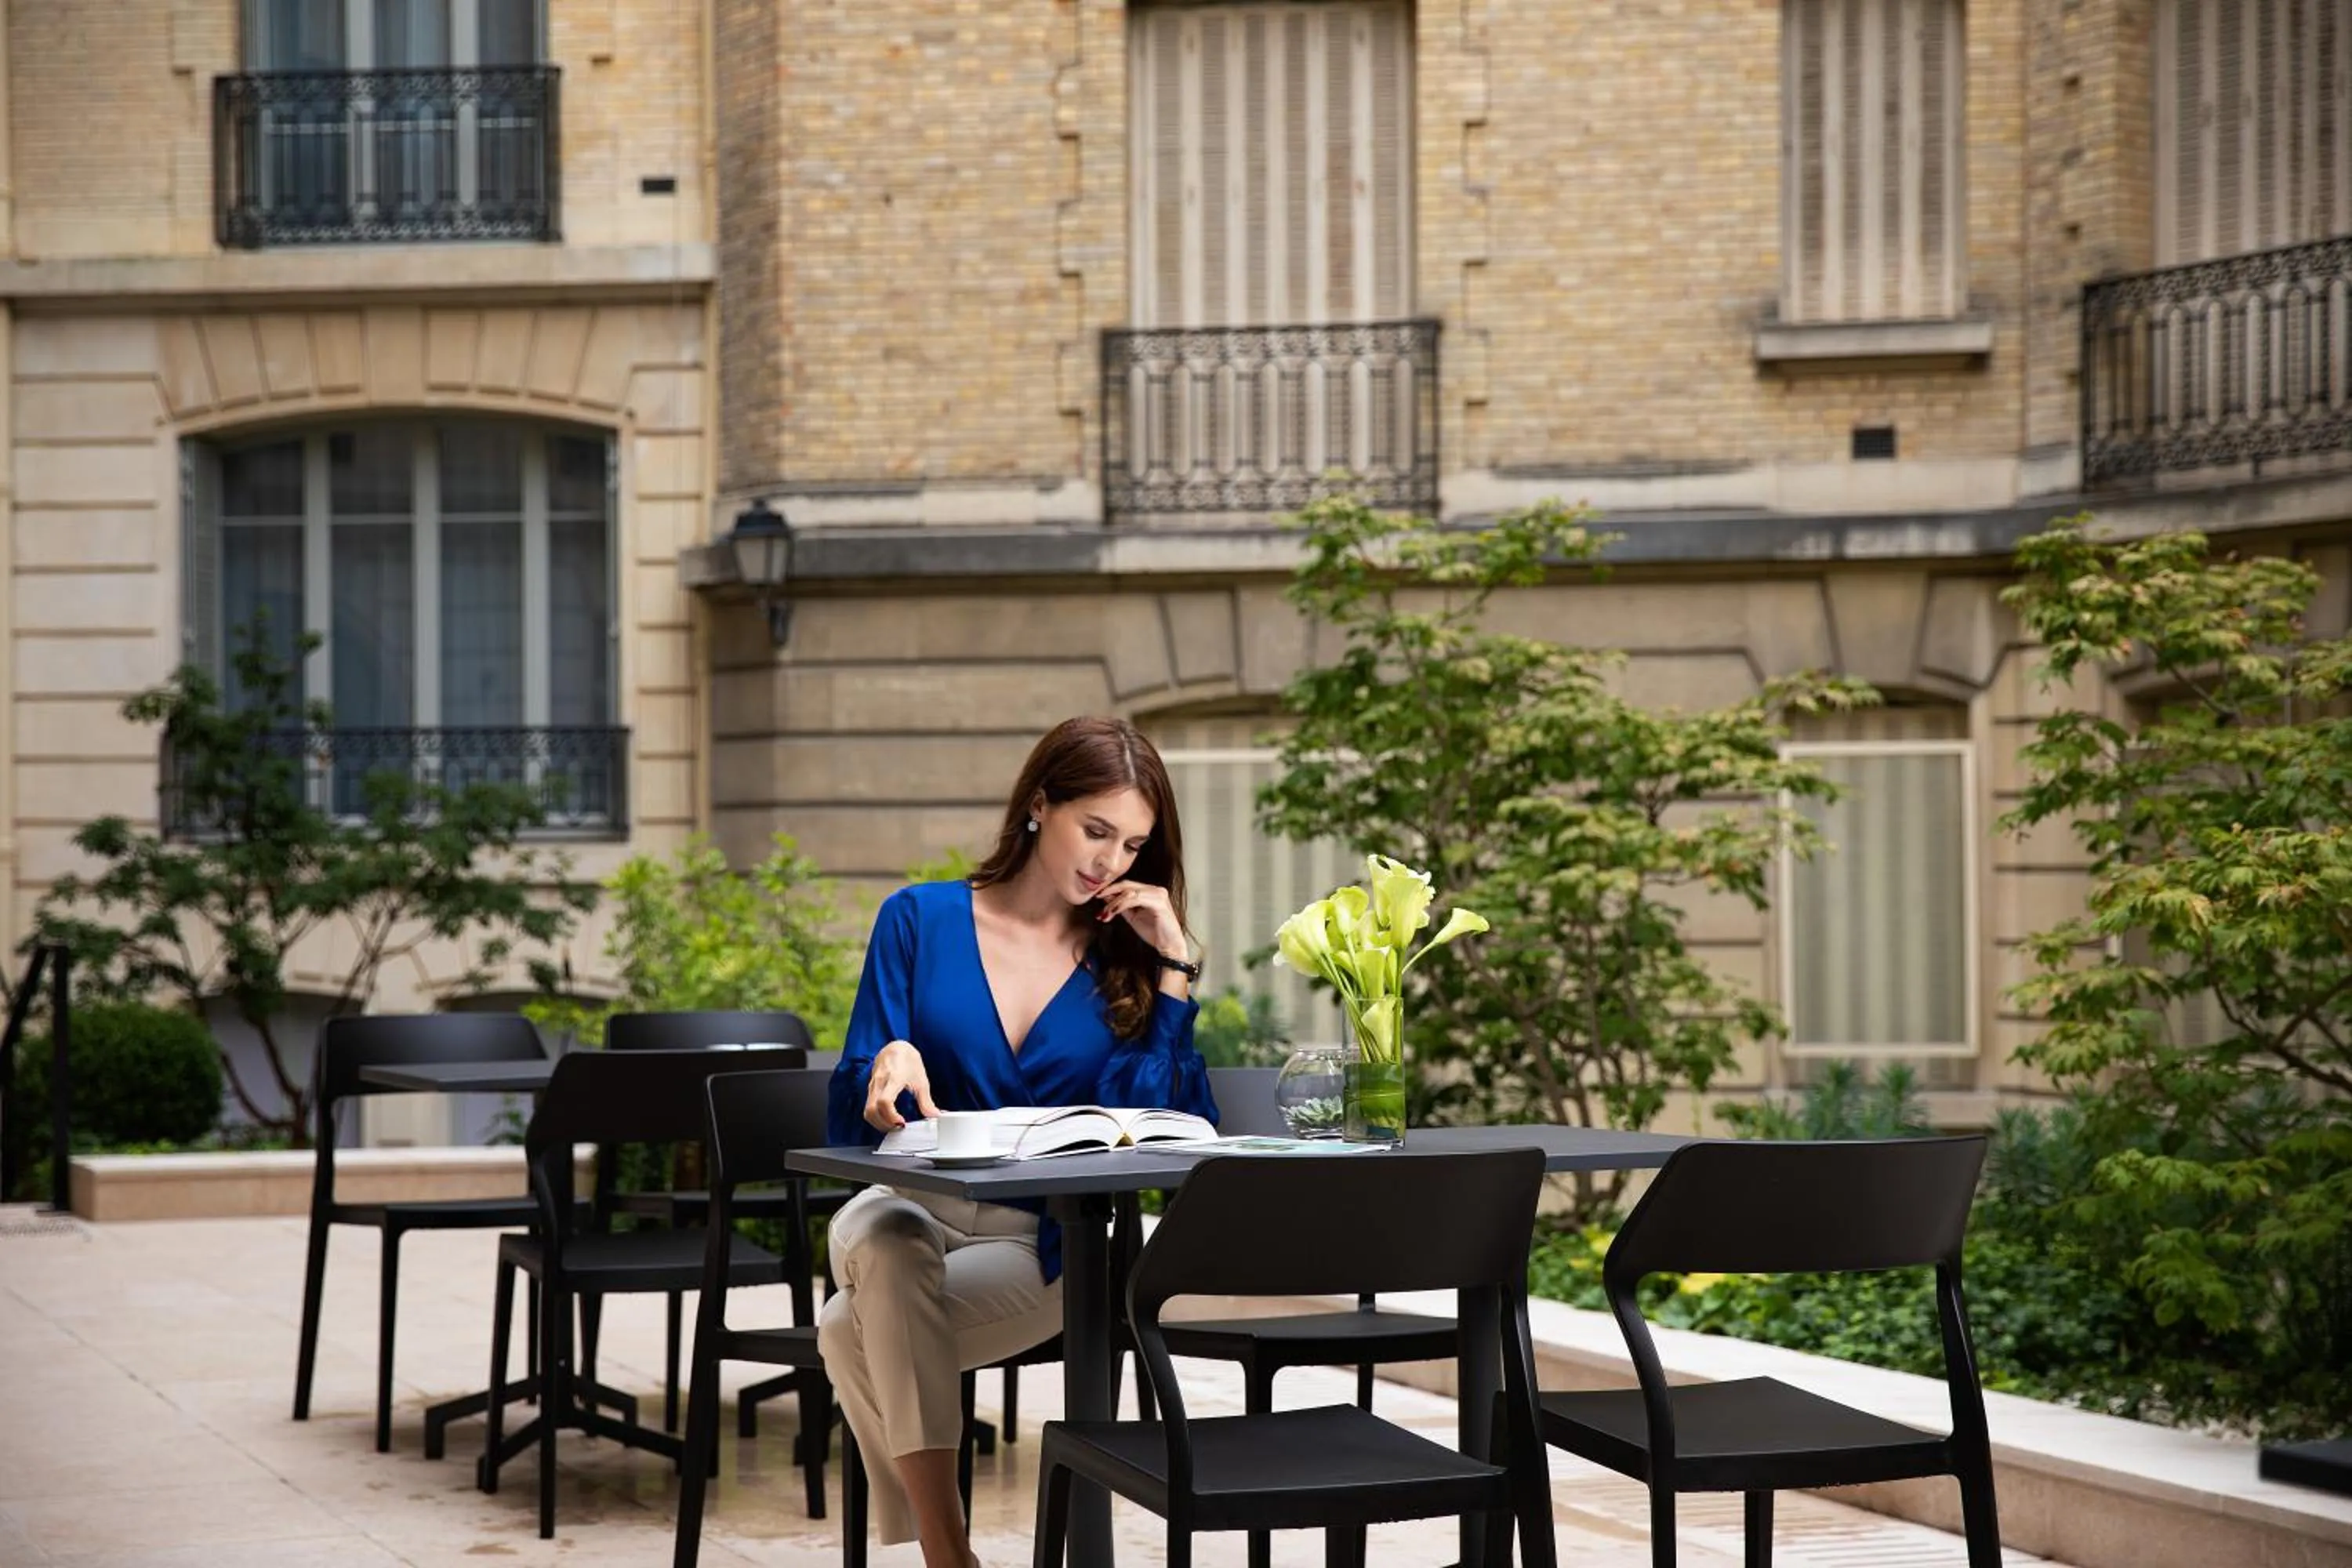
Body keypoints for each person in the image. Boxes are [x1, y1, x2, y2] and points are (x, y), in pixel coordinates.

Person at [818, 715, 1219, 1568]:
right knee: (885, 1239)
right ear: (1041, 803)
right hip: (905, 1204)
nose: (1111, 861)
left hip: (1045, 1243)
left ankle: (943, 1555)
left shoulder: (1127, 960)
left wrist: (1176, 968)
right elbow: (856, 1103)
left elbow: (1157, 1130)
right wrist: (882, 1064)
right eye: (1096, 829)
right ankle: (950, 1552)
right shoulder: (917, 918)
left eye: (1134, 844)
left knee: (843, 1327)